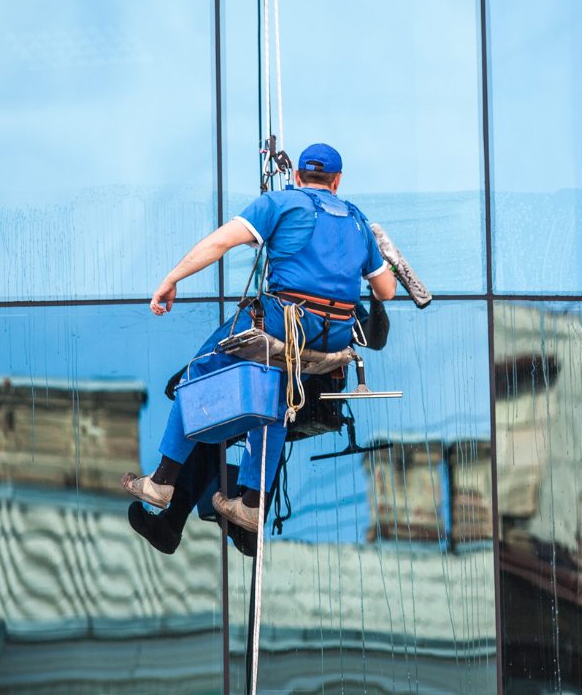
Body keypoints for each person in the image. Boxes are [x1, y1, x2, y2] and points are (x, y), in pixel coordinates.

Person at [122, 143, 397, 533]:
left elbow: (219, 243)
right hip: (329, 345)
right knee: (276, 403)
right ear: (337, 181)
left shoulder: (280, 204)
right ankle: (252, 503)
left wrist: (172, 280)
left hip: (283, 327)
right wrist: (384, 258)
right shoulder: (357, 221)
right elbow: (385, 291)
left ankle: (162, 482)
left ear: (298, 177)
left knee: (196, 376)